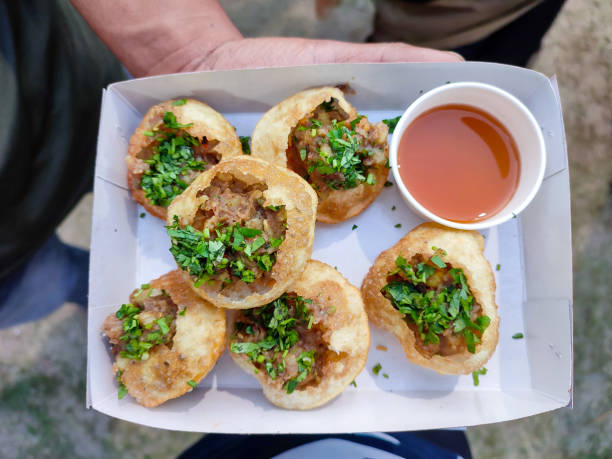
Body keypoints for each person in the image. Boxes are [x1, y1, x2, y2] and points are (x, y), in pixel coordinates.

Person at [0, 0, 564, 456]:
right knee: (31, 281)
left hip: (50, 75)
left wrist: (197, 53)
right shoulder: (222, 229)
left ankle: (71, 280)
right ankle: (75, 282)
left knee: (41, 277)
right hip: (13, 236)